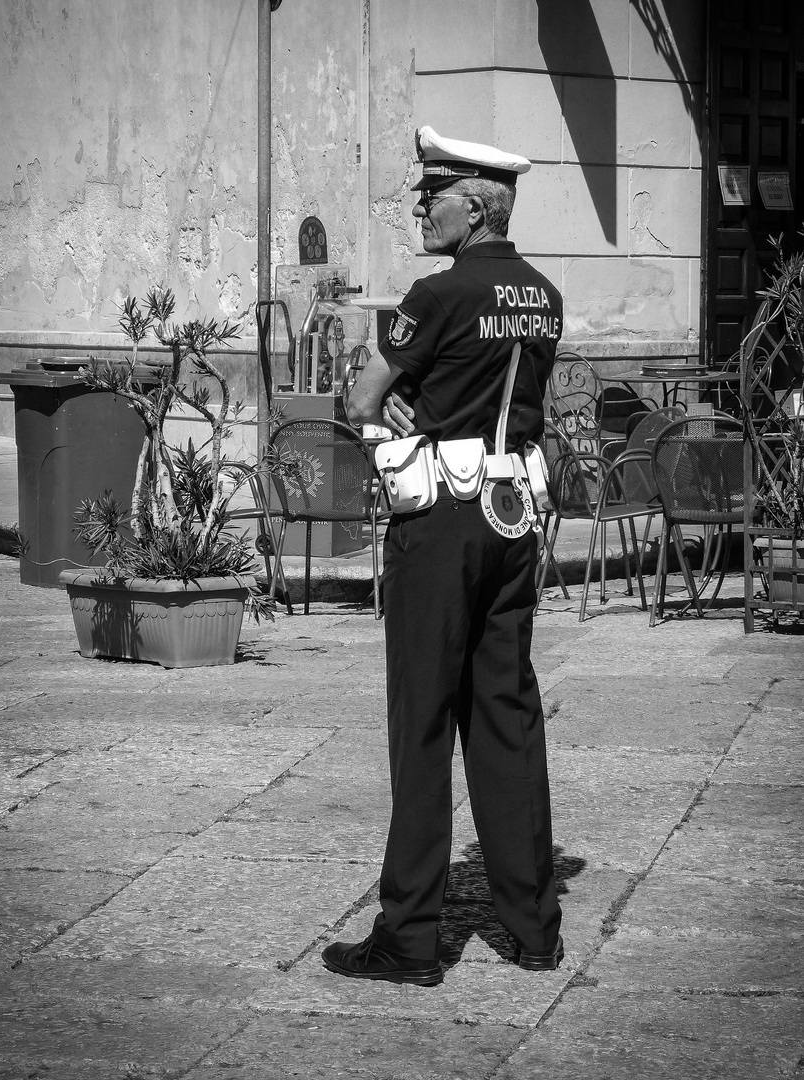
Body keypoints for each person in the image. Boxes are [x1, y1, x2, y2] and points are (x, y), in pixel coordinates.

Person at [321, 126, 564, 987]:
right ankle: (535, 928)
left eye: (436, 196)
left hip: (441, 523)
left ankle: (411, 937)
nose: (422, 207)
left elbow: (362, 398)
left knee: (422, 722)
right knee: (505, 713)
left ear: (478, 206)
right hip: (514, 519)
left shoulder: (436, 293)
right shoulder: (543, 294)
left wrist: (397, 408)